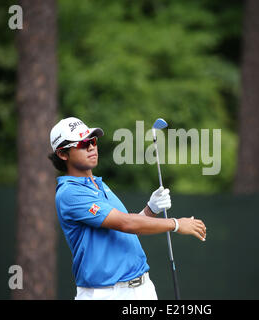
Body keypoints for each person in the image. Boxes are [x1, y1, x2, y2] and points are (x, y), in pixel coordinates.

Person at [48, 117, 207, 300]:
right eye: (83, 143)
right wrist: (176, 224)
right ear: (62, 154)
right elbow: (126, 224)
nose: (92, 147)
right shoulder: (69, 192)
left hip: (142, 288)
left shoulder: (99, 184)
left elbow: (123, 231)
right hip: (105, 293)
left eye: (92, 140)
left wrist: (150, 209)